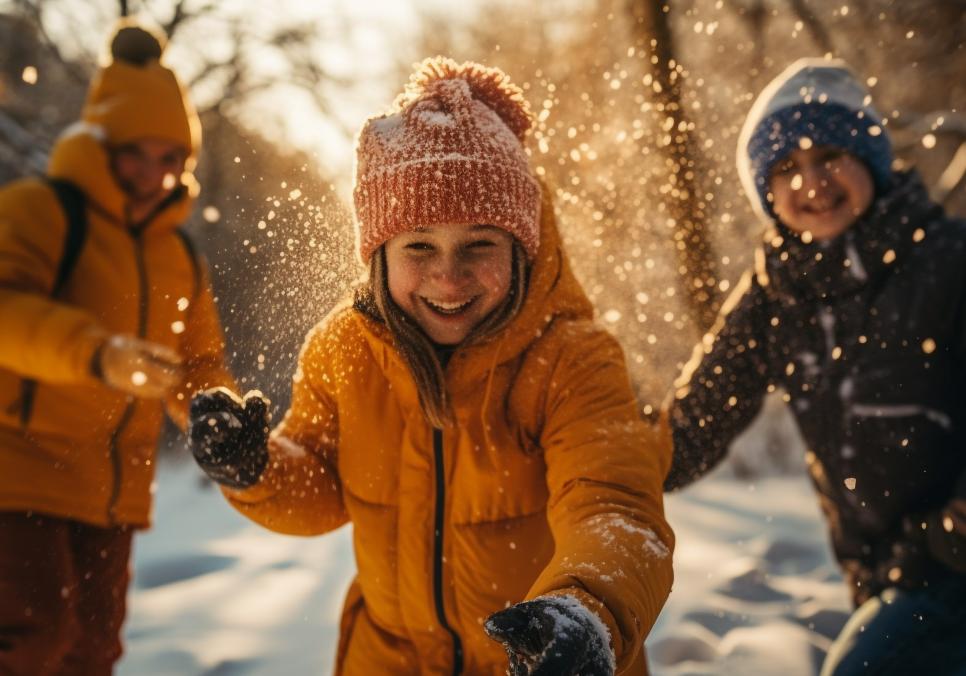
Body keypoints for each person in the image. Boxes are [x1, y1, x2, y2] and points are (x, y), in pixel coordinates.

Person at [188, 57, 674, 675]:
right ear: (379, 256)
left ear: (523, 250)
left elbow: (615, 507)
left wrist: (586, 610)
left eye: (480, 245)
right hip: (388, 658)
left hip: (542, 660)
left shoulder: (572, 360)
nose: (449, 275)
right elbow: (320, 484)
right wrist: (256, 468)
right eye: (419, 244)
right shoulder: (345, 350)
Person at [664, 58, 966, 675]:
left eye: (828, 156)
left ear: (871, 160)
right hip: (884, 580)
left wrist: (944, 538)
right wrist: (588, 443)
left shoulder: (947, 263)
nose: (811, 182)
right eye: (786, 168)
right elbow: (687, 434)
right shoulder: (778, 296)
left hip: (949, 571)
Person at [0, 20, 234, 675]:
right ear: (101, 143)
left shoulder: (179, 255)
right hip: (17, 476)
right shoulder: (41, 211)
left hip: (112, 498)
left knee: (91, 655)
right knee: (29, 641)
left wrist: (217, 414)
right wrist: (97, 354)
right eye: (138, 153)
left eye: (172, 159)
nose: (155, 175)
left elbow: (200, 365)